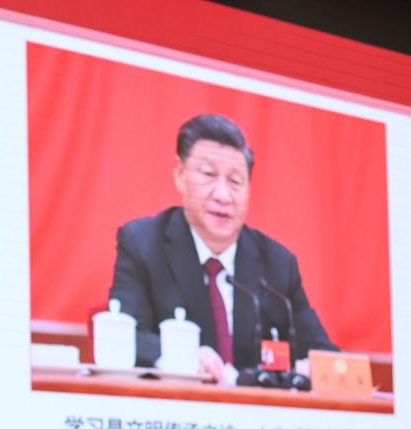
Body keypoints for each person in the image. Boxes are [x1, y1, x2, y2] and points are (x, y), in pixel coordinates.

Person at [109, 113, 336, 382]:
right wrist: (183, 356)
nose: (223, 195)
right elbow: (123, 335)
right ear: (180, 175)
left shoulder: (277, 264)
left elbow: (324, 354)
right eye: (208, 175)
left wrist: (314, 370)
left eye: (235, 181)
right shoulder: (143, 244)